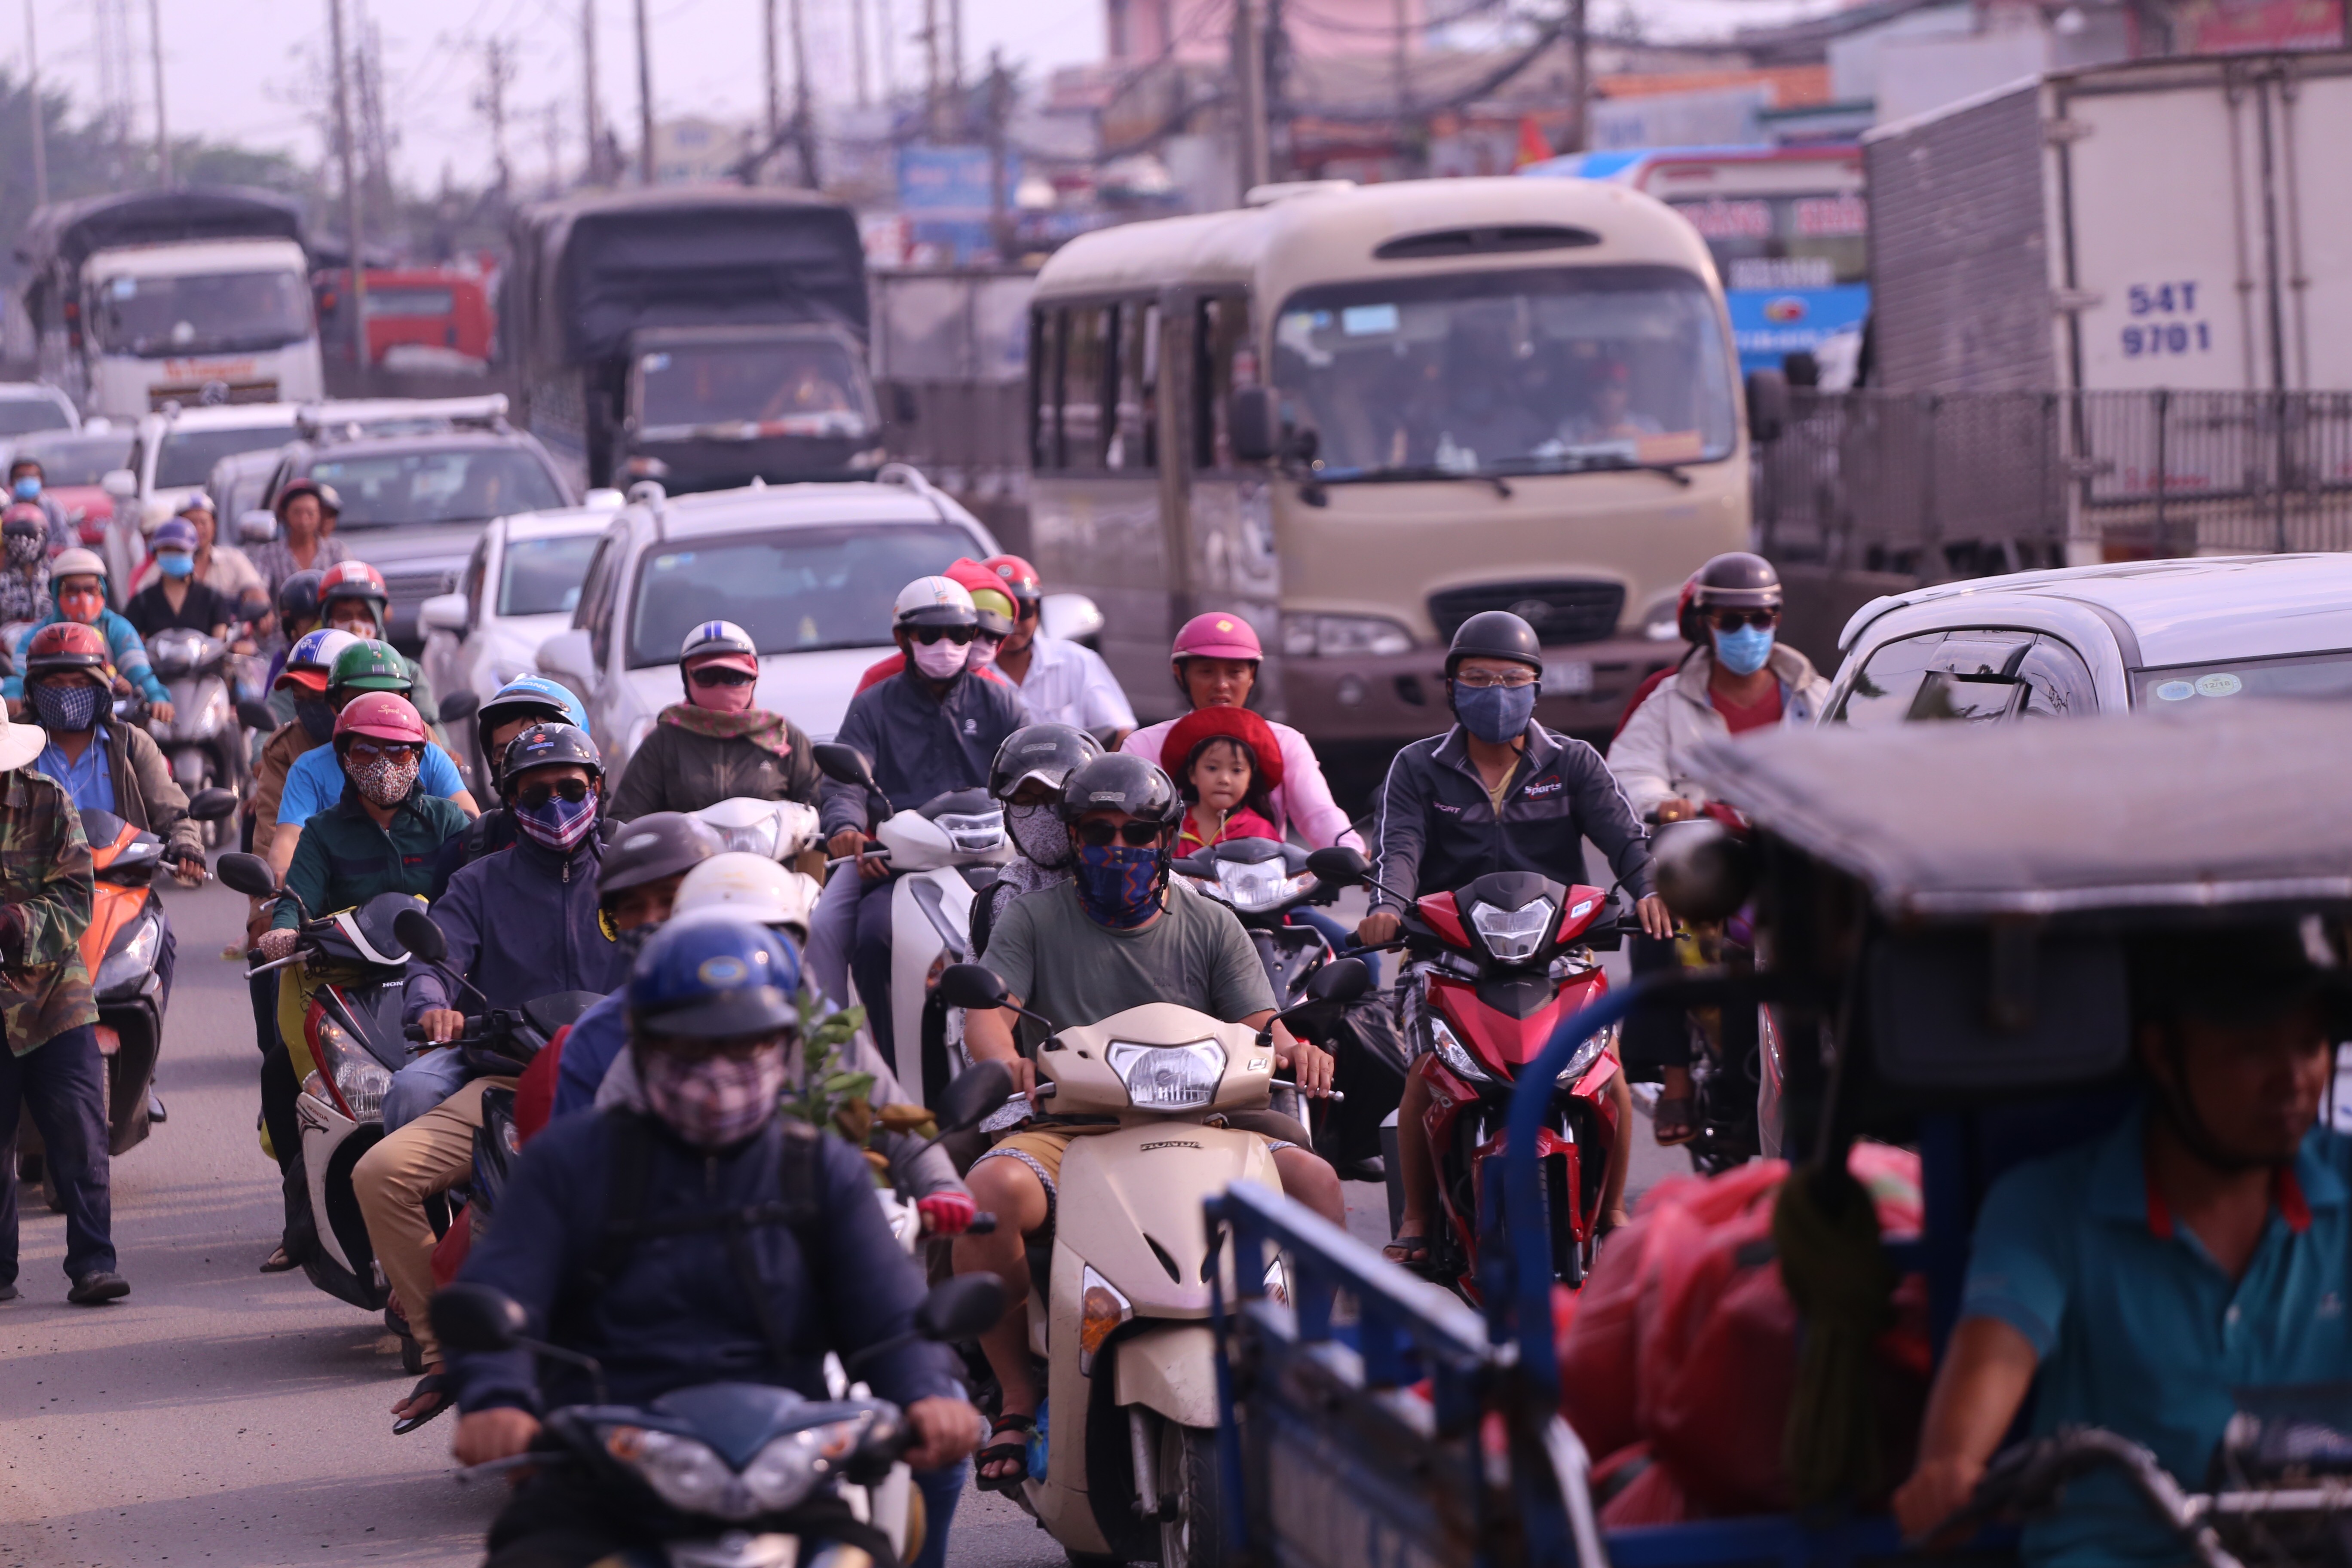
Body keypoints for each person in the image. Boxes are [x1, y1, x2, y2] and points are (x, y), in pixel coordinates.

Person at [445, 918, 984, 1568]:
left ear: (785, 1045)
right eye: (691, 1046)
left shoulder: (822, 1171)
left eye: (748, 1044)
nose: (721, 1069)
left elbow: (888, 1313)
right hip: (606, 1479)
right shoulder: (569, 1164)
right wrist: (498, 1399)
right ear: (643, 1044)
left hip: (787, 1472)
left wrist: (925, 1390)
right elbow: (501, 1293)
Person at [1891, 923, 2352, 1568]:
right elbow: (1995, 1350)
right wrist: (1951, 1467)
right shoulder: (2049, 1207)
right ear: (2163, 1055)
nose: (2294, 1078)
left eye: (2310, 1045)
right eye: (2253, 1049)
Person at [954, 752, 1344, 1491]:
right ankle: (1014, 1395)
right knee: (987, 1197)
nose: (1117, 849)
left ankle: (1307, 1366)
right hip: (1072, 1129)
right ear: (1071, 839)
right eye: (1097, 832)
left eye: (1137, 833)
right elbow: (988, 1013)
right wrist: (1005, 1059)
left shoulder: (1212, 922)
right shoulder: (1031, 918)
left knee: (1318, 1184)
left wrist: (1297, 1047)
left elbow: (1261, 1022)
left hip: (1211, 1125)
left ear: (1167, 840)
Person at [1357, 610, 1673, 1268]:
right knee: (1425, 1075)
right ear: (1451, 688)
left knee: (1604, 1076)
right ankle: (1417, 1217)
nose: (1495, 692)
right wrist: (1388, 908)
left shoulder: (1574, 762)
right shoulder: (1417, 767)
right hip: (1447, 954)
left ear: (1536, 689)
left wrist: (1648, 891)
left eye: (1511, 679)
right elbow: (1400, 849)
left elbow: (1626, 840)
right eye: (1478, 678)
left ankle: (1612, 1213)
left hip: (1560, 950)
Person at [1606, 552, 1829, 1144]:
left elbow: (1854, 765)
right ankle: (1677, 1079)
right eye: (1731, 621)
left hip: (1794, 857)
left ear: (1778, 618)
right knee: (1659, 914)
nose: (1746, 634)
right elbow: (1627, 773)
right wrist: (1671, 804)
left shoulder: (1817, 697)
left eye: (1759, 619)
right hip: (1710, 856)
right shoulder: (1666, 699)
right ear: (1705, 623)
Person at [816, 576, 1029, 1051]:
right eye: (930, 634)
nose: (945, 645)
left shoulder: (1001, 702)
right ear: (903, 639)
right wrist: (846, 829)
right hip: (894, 860)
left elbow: (1036, 767)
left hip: (996, 858)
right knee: (856, 935)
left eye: (959, 634)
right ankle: (861, 1064)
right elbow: (847, 778)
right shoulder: (874, 705)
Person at [391, 723, 625, 1128]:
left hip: (620, 1061)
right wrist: (431, 1007)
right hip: (497, 1065)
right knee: (413, 1092)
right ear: (513, 802)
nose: (556, 806)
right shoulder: (476, 884)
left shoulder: (631, 878)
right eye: (536, 795)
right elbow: (435, 962)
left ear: (597, 788)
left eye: (571, 790)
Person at [23, 623, 204, 1044]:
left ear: (102, 686)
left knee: (164, 945)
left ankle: (146, 1051)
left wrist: (186, 843)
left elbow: (171, 807)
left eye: (79, 682)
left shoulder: (131, 744)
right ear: (34, 689)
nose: (67, 692)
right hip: (33, 892)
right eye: (55, 682)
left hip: (120, 890)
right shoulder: (13, 745)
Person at [0, 705, 126, 1307]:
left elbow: (78, 896)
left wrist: (16, 923)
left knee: (79, 1129)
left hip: (55, 991)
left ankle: (94, 1263)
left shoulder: (49, 801)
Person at [1122, 612, 1359, 853]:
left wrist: (1351, 850)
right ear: (1180, 674)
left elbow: (1318, 813)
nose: (1222, 684)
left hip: (1263, 885)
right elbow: (1125, 826)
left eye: (1235, 672)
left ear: (1252, 676)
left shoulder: (1287, 742)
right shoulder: (1142, 746)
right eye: (1207, 671)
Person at [269, 640, 477, 886]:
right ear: (335, 706)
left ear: (407, 702)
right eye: (359, 701)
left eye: (387, 702)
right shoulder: (309, 770)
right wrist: (283, 874)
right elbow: (288, 841)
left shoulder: (429, 757)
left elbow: (471, 824)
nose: (375, 713)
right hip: (339, 908)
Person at [608, 620, 820, 820]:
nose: (721, 686)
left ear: (754, 678)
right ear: (686, 679)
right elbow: (626, 820)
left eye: (734, 676)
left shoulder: (785, 738)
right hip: (689, 859)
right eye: (706, 676)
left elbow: (823, 810)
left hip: (771, 860)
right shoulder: (664, 742)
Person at [435, 675, 592, 887]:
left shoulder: (620, 851)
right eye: (505, 753)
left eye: (537, 748)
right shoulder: (470, 850)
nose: (520, 763)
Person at [968, 722, 1104, 961]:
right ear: (1007, 812)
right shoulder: (998, 903)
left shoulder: (1142, 887)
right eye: (1024, 800)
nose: (1041, 816)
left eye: (1054, 797)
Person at [980, 554, 1136, 743]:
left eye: (1023, 609)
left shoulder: (1078, 662)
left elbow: (1120, 733)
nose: (1013, 622)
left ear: (1039, 610)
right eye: (998, 612)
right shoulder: (966, 676)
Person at [3, 549, 173, 721]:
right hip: (52, 722)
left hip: (112, 723)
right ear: (55, 592)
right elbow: (20, 672)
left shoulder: (115, 627)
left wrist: (155, 695)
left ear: (103, 590)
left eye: (91, 589)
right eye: (71, 590)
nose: (83, 598)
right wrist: (13, 692)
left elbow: (138, 668)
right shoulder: (40, 634)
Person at [851, 559, 1020, 694]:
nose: (982, 644)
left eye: (994, 636)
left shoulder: (995, 693)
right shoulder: (880, 681)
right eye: (968, 633)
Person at [313, 560, 446, 729]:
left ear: (378, 619)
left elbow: (430, 728)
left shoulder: (407, 671)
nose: (355, 625)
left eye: (365, 615)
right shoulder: (306, 674)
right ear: (327, 620)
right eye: (344, 615)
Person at [1166, 704, 1284, 855]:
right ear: (1192, 774)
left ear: (1250, 779)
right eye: (1212, 768)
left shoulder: (1261, 832)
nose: (1224, 780)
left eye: (1237, 770)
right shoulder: (1169, 829)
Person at [129, 495, 264, 601]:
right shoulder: (165, 566)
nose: (198, 529)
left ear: (214, 525)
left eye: (203, 523)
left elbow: (256, 592)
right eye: (191, 523)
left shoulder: (234, 559)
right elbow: (139, 600)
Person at [122, 518, 234, 640]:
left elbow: (220, 641)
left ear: (193, 553)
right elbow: (128, 641)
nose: (173, 554)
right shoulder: (142, 601)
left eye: (180, 550)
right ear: (156, 554)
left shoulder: (212, 598)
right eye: (167, 550)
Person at [248, 478, 349, 602]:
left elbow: (349, 584)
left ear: (319, 515)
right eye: (297, 513)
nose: (304, 521)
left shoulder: (336, 550)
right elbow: (259, 587)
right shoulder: (269, 554)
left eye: (310, 513)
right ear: (285, 515)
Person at [7, 457, 74, 552]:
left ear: (41, 481)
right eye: (21, 477)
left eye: (32, 477)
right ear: (12, 482)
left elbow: (70, 542)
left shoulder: (54, 508)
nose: (27, 481)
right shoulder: (7, 510)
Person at [0, 505, 53, 625]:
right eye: (15, 536)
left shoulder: (54, 575)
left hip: (51, 638)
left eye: (30, 534)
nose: (23, 541)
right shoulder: (3, 581)